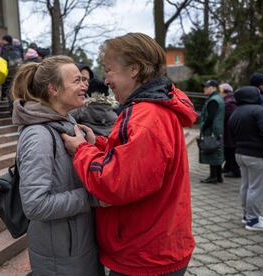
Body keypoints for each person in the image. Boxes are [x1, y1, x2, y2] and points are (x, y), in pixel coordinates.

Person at [62, 33, 197, 276]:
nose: (106, 79)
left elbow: (116, 183)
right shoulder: (151, 110)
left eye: (109, 70)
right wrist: (99, 145)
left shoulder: (146, 117)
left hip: (145, 255)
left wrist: (82, 151)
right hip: (154, 244)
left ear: (134, 69)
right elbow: (134, 157)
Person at [12, 55, 102, 275]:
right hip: (60, 257)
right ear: (53, 89)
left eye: (83, 79)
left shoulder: (66, 122)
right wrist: (91, 197)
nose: (84, 85)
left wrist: (89, 150)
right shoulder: (38, 135)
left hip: (76, 245)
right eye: (76, 81)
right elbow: (34, 205)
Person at [228, 86, 263, 231]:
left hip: (240, 153)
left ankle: (247, 215)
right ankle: (253, 221)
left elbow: (230, 132)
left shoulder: (236, 112)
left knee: (246, 186)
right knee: (255, 188)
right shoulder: (259, 110)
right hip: (256, 155)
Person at [199, 80, 225, 184]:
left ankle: (213, 177)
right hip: (218, 130)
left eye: (206, 87)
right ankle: (218, 177)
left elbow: (210, 118)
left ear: (214, 88)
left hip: (212, 130)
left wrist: (204, 127)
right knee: (216, 151)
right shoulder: (218, 98)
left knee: (212, 151)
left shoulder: (213, 100)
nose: (204, 89)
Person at [219, 83, 240, 177]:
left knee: (230, 151)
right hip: (229, 131)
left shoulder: (229, 102)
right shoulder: (229, 100)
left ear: (224, 91)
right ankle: (228, 167)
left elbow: (228, 116)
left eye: (219, 90)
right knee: (228, 150)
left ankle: (235, 171)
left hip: (229, 132)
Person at [2, 34, 23, 114]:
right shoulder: (17, 49)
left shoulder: (5, 49)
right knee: (16, 92)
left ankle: (13, 112)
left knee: (10, 92)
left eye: (3, 40)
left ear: (6, 40)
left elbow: (3, 62)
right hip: (18, 73)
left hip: (9, 73)